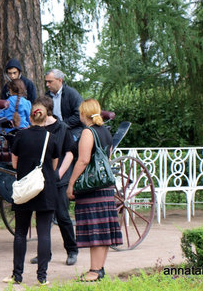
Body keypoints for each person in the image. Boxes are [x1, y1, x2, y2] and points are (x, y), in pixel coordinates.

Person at [66, 98, 123, 282]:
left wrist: (71, 183)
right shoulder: (106, 132)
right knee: (103, 231)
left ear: (84, 114)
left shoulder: (88, 132)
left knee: (96, 230)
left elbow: (83, 161)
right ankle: (99, 269)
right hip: (105, 187)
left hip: (92, 188)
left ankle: (94, 271)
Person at [3, 102, 58, 286]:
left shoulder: (21, 136)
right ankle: (42, 277)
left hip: (25, 189)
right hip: (46, 189)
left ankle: (17, 275)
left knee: (20, 233)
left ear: (30, 118)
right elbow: (55, 165)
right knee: (44, 234)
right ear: (46, 118)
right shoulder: (52, 137)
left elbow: (14, 163)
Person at [29, 96, 78, 266]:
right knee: (43, 217)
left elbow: (70, 153)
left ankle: (72, 250)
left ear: (46, 109)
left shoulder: (62, 128)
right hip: (40, 179)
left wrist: (59, 174)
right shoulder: (35, 126)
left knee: (62, 215)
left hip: (58, 179)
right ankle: (44, 254)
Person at [45, 69, 84, 140]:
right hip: (52, 130)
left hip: (72, 129)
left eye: (50, 82)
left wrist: (61, 125)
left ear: (60, 80)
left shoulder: (72, 94)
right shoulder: (47, 96)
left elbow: (79, 115)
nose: (47, 84)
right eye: (46, 82)